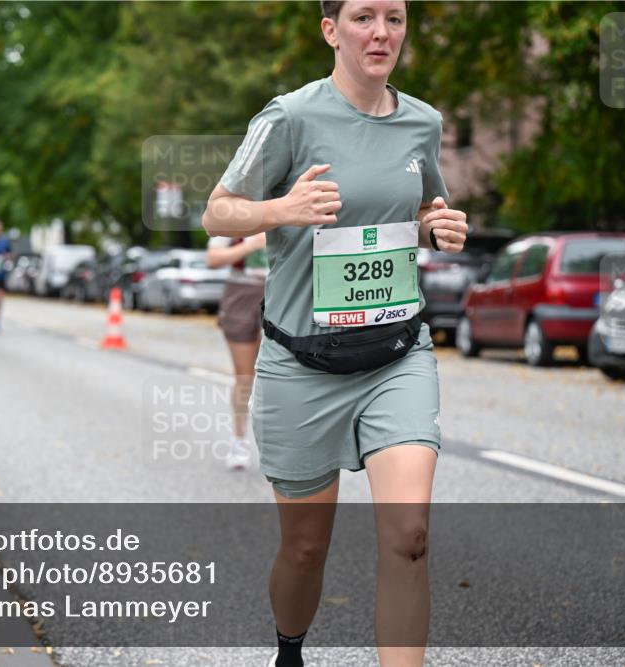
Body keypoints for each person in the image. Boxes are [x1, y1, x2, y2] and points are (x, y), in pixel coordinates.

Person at [202, 2, 469, 665]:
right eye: (363, 17)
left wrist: (440, 223)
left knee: (409, 534)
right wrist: (280, 209)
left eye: (396, 19)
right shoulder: (290, 117)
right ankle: (289, 647)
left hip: (396, 358)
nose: (382, 33)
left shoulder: (423, 123)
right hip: (302, 367)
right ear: (330, 30)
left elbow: (425, 203)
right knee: (304, 548)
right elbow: (216, 211)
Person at [206, 232, 268, 471]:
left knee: (286, 373)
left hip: (282, 291)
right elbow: (213, 259)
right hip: (241, 292)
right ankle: (239, 439)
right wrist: (250, 245)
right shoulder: (234, 209)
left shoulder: (291, 201)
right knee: (244, 376)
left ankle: (282, 445)